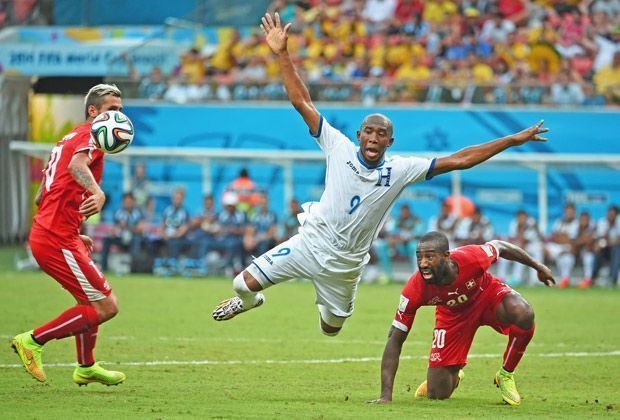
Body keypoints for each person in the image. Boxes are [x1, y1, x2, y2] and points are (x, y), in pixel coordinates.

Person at [211, 12, 549, 337]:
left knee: (331, 329)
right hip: (310, 243)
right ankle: (250, 302)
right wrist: (282, 53)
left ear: (390, 141)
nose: (373, 137)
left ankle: (325, 300)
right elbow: (302, 102)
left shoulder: (400, 169)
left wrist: (513, 139)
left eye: (381, 133)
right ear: (359, 135)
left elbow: (460, 160)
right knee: (242, 284)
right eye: (368, 131)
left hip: (346, 264)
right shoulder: (337, 146)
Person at [11, 84, 126, 385]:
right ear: (93, 112)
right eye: (112, 110)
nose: (119, 117)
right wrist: (97, 192)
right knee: (105, 306)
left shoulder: (68, 138)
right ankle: (33, 341)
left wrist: (73, 230)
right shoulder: (90, 137)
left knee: (89, 300)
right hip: (55, 238)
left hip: (57, 234)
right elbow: (77, 167)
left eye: (121, 111)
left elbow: (41, 197)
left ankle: (86, 366)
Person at [368, 232, 555, 406]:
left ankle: (505, 374)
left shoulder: (473, 257)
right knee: (437, 394)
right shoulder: (415, 289)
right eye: (419, 257)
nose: (423, 263)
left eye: (429, 257)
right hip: (452, 315)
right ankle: (453, 373)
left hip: (486, 295)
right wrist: (386, 396)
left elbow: (501, 246)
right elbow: (395, 338)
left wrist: (538, 267)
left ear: (446, 256)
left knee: (523, 312)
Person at [100, 192, 146, 273]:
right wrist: (113, 232)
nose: (127, 204)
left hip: (133, 237)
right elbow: (114, 228)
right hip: (121, 237)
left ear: (133, 202)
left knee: (136, 240)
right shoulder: (118, 212)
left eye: (129, 202)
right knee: (107, 239)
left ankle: (134, 269)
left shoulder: (138, 212)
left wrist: (127, 226)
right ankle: (104, 267)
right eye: (126, 202)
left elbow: (140, 229)